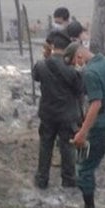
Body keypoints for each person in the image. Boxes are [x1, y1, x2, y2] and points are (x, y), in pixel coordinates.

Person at [64, 41, 105, 208]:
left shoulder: (89, 72)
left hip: (99, 126)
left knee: (85, 166)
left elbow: (95, 103)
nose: (77, 66)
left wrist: (82, 133)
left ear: (80, 56)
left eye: (75, 62)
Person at [32, 31, 83, 189]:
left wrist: (46, 56)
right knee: (67, 147)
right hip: (67, 115)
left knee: (45, 145)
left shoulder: (41, 65)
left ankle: (42, 179)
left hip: (47, 114)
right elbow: (80, 90)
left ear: (52, 46)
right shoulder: (72, 70)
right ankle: (68, 179)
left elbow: (35, 76)